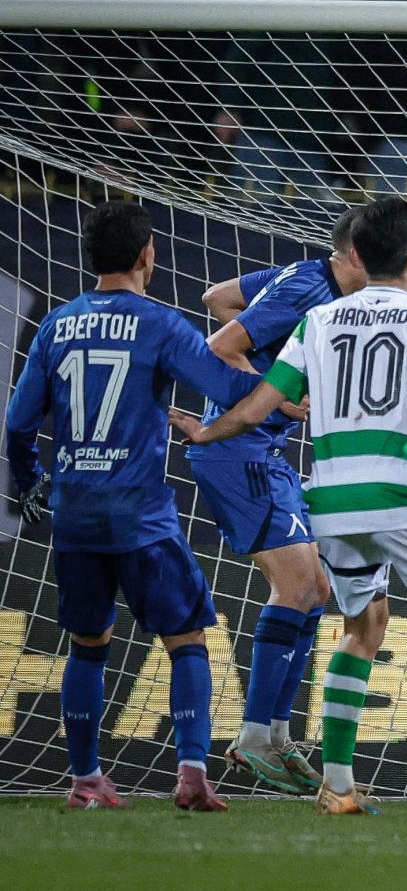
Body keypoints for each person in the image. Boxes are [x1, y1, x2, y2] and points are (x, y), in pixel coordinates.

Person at [169, 198, 407, 819]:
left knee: (361, 629)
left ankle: (338, 786)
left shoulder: (318, 320)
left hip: (331, 503)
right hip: (400, 496)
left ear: (357, 256)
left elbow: (259, 404)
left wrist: (207, 432)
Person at [5, 202, 260, 811]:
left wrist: (32, 481)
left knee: (88, 643)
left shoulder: (56, 325)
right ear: (148, 255)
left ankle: (86, 780)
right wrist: (285, 383)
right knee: (187, 636)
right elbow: (226, 387)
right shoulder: (161, 324)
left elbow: (16, 425)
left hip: (75, 513)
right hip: (141, 515)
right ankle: (192, 774)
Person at [187, 206, 367, 793]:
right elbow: (218, 343)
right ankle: (252, 736)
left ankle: (278, 734)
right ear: (356, 256)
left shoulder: (303, 273)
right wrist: (277, 395)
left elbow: (217, 296)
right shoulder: (307, 289)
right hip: (237, 451)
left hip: (262, 451)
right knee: (296, 588)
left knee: (315, 588)